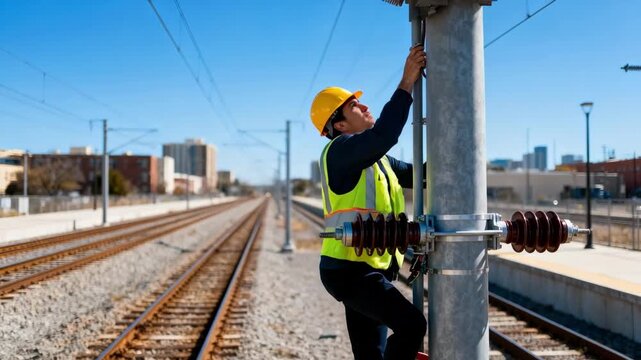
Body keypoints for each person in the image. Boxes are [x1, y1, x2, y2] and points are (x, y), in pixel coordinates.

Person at [309, 45, 427, 360]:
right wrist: (406, 85)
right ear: (340, 126)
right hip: (350, 272)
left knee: (370, 354)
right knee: (412, 325)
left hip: (370, 268)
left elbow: (421, 176)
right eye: (354, 105)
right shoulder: (339, 152)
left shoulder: (379, 161)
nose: (364, 106)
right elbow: (385, 135)